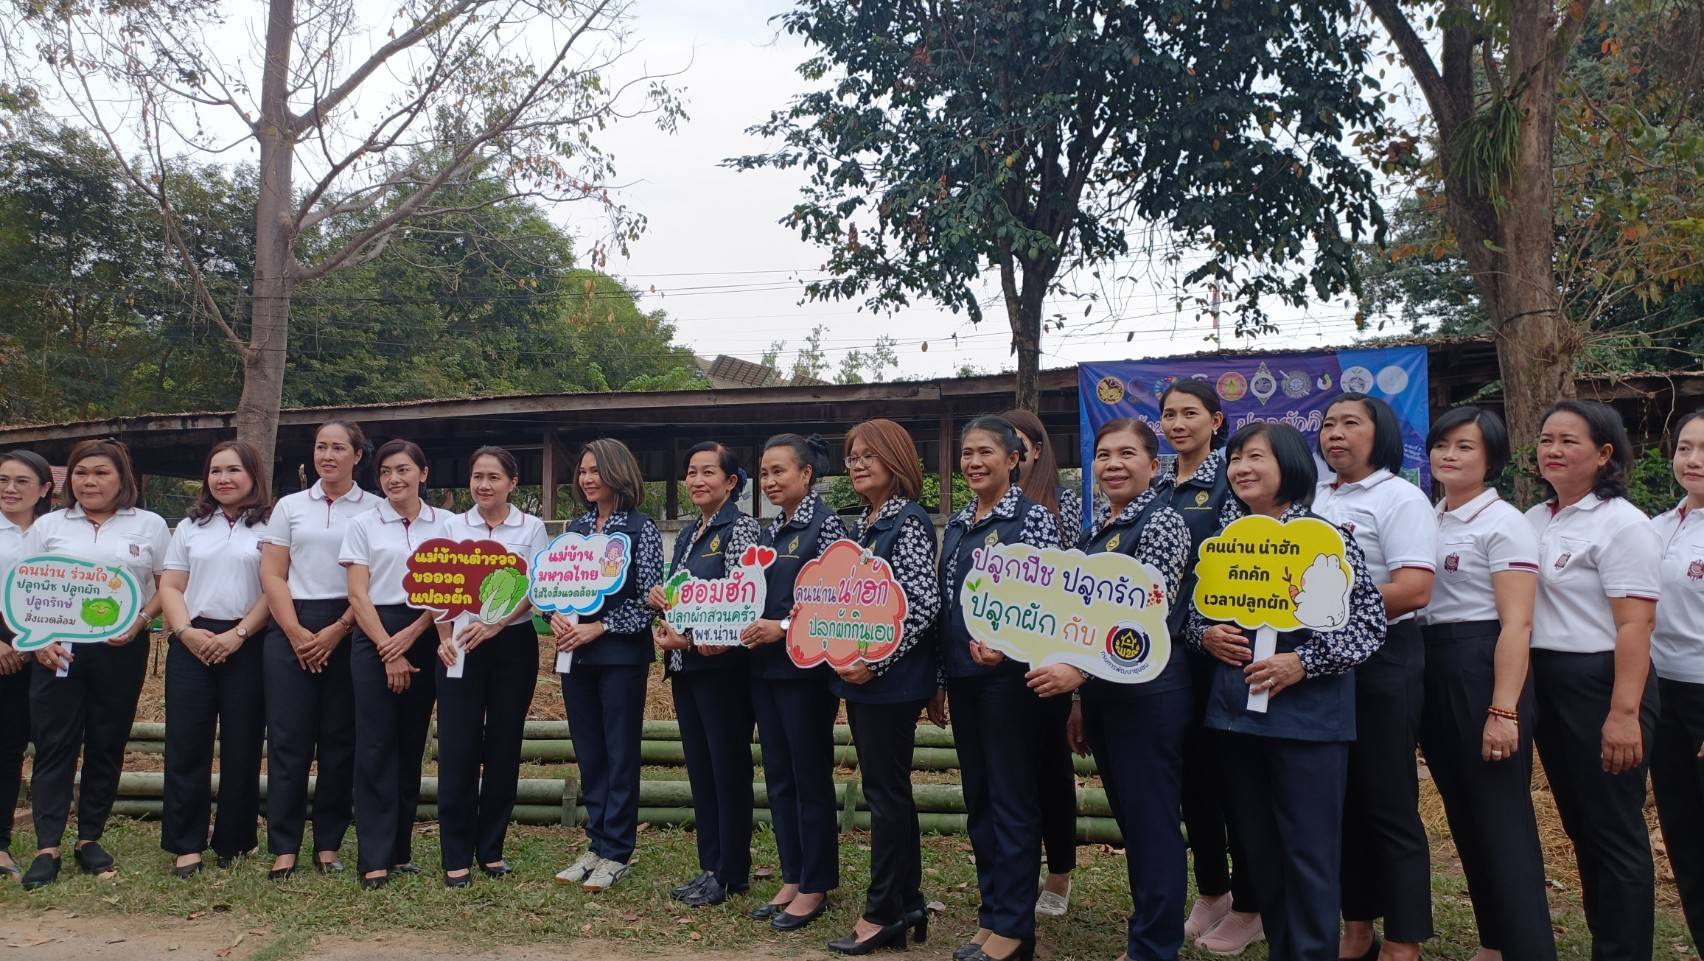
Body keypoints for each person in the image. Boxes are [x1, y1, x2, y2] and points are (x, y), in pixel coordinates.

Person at [1186, 422, 1385, 961]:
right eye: (1235, 459)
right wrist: (1206, 635)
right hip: (1234, 722)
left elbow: (1367, 625)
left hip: (1308, 726)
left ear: (1291, 467)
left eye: (1256, 457)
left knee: (1309, 856)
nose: (1241, 468)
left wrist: (1304, 661)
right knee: (1259, 852)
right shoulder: (1225, 544)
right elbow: (1191, 616)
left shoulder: (1327, 538)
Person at [1416, 407, 1555, 961]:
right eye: (1442, 445)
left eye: (1465, 447)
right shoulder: (1432, 516)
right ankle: (1495, 940)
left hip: (1482, 665)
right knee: (1464, 812)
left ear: (1491, 458)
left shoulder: (1504, 523)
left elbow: (1517, 622)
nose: (1449, 456)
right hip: (1434, 663)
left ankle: (1528, 947)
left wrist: (1504, 709)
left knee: (1501, 817)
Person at [1527, 400, 1661, 961]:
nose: (1553, 450)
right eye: (1546, 439)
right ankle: (1606, 940)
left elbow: (1636, 623)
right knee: (1581, 826)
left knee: (1613, 829)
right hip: (1549, 681)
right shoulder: (1536, 518)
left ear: (1605, 455)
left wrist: (1623, 713)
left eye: (1569, 441)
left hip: (1604, 682)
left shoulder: (1621, 524)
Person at [1054, 418, 1192, 961]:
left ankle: (1156, 945)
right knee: (1132, 818)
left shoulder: (1161, 524)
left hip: (1150, 692)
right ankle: (1147, 932)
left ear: (1153, 466)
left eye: (1127, 454)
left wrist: (1079, 676)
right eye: (1105, 455)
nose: (1113, 464)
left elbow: (1141, 615)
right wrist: (1082, 698)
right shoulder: (1094, 533)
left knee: (1152, 819)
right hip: (1105, 693)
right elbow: (1080, 619)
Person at [1314, 393, 1436, 961]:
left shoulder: (1400, 497)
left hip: (1386, 660)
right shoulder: (1313, 498)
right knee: (1342, 800)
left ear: (1380, 432)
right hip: (1323, 663)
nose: (1335, 434)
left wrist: (1329, 605)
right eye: (1329, 424)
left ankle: (1404, 937)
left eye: (1350, 424)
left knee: (1388, 800)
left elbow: (1414, 589)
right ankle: (1357, 926)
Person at [21, 439, 171, 889]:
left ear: (123, 478)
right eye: (82, 472)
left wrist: (142, 621)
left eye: (101, 472)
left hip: (120, 648)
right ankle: (47, 846)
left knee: (107, 743)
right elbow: (25, 588)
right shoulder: (49, 526)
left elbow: (169, 584)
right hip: (57, 650)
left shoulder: (149, 525)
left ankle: (89, 839)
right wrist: (39, 643)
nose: (90, 481)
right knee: (54, 746)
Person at [940, 414, 1062, 961]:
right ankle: (993, 916)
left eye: (986, 452)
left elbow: (1050, 605)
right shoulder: (960, 524)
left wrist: (1011, 649)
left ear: (1014, 459)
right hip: (964, 680)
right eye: (967, 453)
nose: (974, 462)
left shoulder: (1032, 521)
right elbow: (948, 607)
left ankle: (1015, 928)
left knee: (1013, 800)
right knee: (980, 800)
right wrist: (940, 680)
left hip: (1011, 683)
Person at [1152, 379, 1261, 951]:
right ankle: (1213, 891)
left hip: (1218, 652)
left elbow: (1241, 571)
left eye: (1190, 414)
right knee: (1190, 779)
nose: (1177, 424)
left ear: (1216, 422)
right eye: (1168, 414)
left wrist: (1213, 630)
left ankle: (1251, 904)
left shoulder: (1232, 481)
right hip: (1164, 656)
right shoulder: (1155, 484)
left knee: (1230, 782)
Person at [826, 419, 942, 955]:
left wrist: (877, 662)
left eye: (869, 455)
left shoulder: (908, 521)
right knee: (888, 790)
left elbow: (921, 604)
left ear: (896, 460)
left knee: (884, 795)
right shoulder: (862, 525)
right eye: (852, 456)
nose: (857, 464)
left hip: (890, 682)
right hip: (862, 678)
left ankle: (881, 911)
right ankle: (908, 901)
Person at [258, 419, 374, 880]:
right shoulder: (289, 506)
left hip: (350, 625)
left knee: (339, 741)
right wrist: (294, 631)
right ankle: (284, 845)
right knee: (287, 741)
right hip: (291, 625)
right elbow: (272, 573)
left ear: (357, 456)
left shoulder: (374, 509)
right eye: (321, 447)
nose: (328, 456)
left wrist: (337, 629)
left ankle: (328, 843)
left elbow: (372, 581)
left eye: (339, 448)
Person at [649, 442, 762, 908]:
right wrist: (662, 600)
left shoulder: (742, 529)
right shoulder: (694, 530)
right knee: (702, 769)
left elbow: (742, 605)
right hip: (687, 668)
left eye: (708, 473)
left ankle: (732, 870)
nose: (696, 480)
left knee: (727, 769)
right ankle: (709, 866)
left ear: (731, 482)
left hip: (724, 671)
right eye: (691, 472)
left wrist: (690, 637)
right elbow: (685, 597)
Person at [433, 446, 549, 888]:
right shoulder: (451, 526)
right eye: (477, 476)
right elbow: (436, 585)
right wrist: (444, 638)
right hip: (459, 643)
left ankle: (491, 848)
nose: (483, 485)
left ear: (512, 483)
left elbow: (535, 584)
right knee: (459, 748)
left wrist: (498, 623)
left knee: (504, 747)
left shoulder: (531, 527)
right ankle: (455, 853)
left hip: (512, 644)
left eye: (493, 478)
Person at [551, 438, 663, 894]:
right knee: (589, 750)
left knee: (619, 753)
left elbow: (650, 600)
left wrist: (601, 627)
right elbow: (555, 583)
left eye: (595, 470)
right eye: (582, 471)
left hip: (619, 656)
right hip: (574, 655)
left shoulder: (641, 529)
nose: (588, 478)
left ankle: (617, 850)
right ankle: (595, 843)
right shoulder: (575, 528)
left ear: (618, 472)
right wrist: (554, 613)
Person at [157, 441, 273, 878]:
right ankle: (186, 843)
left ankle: (235, 839)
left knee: (243, 745)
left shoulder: (271, 524)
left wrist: (239, 634)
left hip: (248, 640)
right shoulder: (191, 526)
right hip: (192, 639)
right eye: (215, 471)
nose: (223, 479)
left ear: (252, 475)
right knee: (186, 744)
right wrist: (185, 631)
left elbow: (275, 586)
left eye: (233, 470)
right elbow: (171, 585)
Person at [746, 434, 847, 931]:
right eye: (764, 473)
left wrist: (783, 627)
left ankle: (816, 883)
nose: (770, 481)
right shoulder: (769, 532)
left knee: (809, 777)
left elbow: (834, 602)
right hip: (763, 669)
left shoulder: (826, 528)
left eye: (779, 471)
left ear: (806, 475)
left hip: (804, 673)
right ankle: (792, 873)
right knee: (780, 776)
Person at [340, 438, 451, 890]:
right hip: (374, 634)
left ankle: (400, 850)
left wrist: (412, 635)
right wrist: (389, 647)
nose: (393, 479)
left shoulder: (446, 523)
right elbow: (356, 594)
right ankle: (374, 857)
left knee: (410, 744)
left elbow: (449, 588)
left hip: (427, 629)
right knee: (374, 746)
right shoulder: (363, 524)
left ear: (423, 473)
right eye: (385, 471)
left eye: (403, 469)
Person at [1002, 408, 1078, 920]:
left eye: (1016, 443)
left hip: (1048, 669)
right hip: (994, 670)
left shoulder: (1062, 508)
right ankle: (1017, 874)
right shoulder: (983, 516)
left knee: (1051, 770)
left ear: (1032, 449)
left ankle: (1061, 871)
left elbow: (1076, 597)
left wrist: (1073, 684)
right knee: (1012, 781)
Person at [1652, 409, 1704, 949]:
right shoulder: (1657, 527)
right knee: (1684, 836)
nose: (1694, 460)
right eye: (1686, 447)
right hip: (1660, 695)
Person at [0, 450, 53, 882]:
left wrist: (35, 643)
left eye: (21, 481)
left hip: (48, 648)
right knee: (3, 748)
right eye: (3, 480)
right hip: (2, 652)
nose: (10, 489)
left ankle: (51, 840)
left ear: (45, 489)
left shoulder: (56, 532)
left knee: (51, 745)